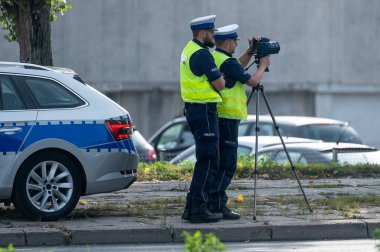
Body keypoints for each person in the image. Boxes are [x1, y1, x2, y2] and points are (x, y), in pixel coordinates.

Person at [208, 24, 270, 219]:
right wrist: (263, 66)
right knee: (228, 164)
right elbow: (252, 81)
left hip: (221, 116)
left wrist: (250, 51)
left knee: (219, 163)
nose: (236, 44)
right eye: (235, 41)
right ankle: (217, 204)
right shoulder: (226, 62)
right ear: (227, 43)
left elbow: (238, 66)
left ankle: (215, 202)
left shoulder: (220, 58)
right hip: (226, 117)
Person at [180, 15, 226, 223]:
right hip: (204, 111)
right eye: (212, 32)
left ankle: (192, 207)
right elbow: (220, 84)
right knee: (208, 159)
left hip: (196, 110)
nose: (214, 35)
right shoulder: (201, 54)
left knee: (205, 158)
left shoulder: (188, 49)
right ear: (203, 33)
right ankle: (198, 209)